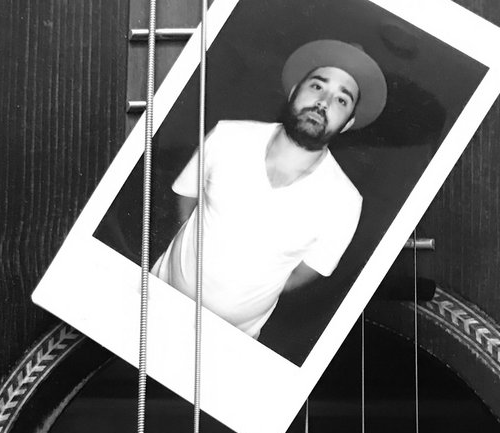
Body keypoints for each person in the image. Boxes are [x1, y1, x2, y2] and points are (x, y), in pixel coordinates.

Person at [152, 39, 388, 340]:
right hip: (158, 296)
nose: (324, 103)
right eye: (317, 86)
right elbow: (187, 196)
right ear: (293, 92)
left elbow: (305, 272)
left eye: (342, 100)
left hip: (234, 339)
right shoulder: (227, 136)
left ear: (347, 123)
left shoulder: (345, 202)